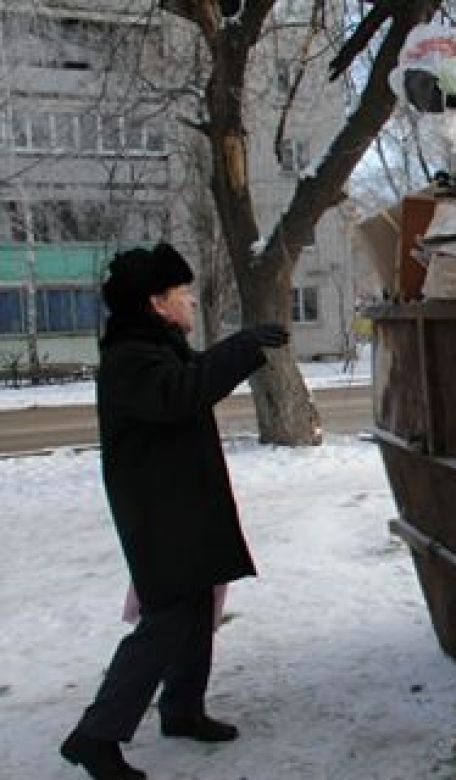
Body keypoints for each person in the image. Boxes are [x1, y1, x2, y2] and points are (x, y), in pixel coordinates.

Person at [60, 243, 289, 780]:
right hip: (160, 514)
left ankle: (182, 709)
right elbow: (181, 396)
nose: (190, 302)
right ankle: (95, 736)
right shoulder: (132, 358)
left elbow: (185, 389)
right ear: (157, 302)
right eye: (182, 294)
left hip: (180, 506)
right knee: (166, 618)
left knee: (192, 610)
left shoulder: (154, 346)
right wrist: (239, 349)